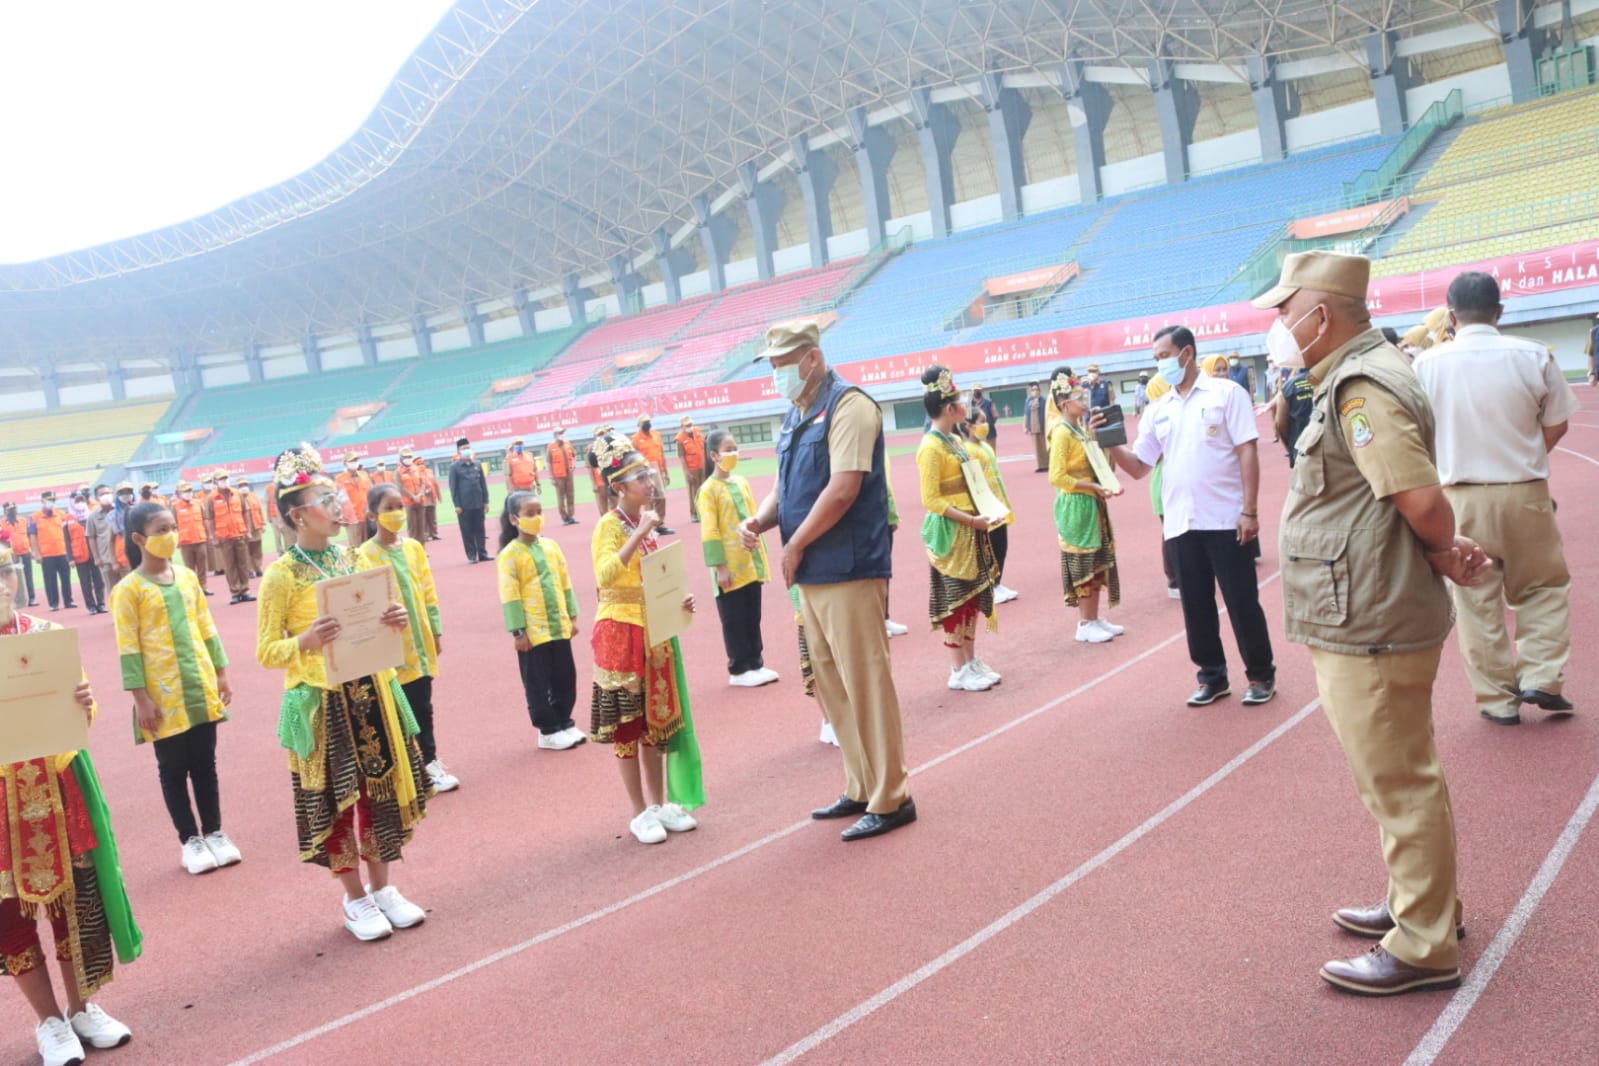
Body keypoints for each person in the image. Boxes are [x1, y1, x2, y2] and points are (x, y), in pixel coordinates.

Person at [1254, 249, 1490, 996]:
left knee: (1396, 779)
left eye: (1283, 310)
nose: (1276, 325)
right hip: (1366, 601)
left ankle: (1422, 945)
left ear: (1319, 315)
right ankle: (1424, 906)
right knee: (1403, 771)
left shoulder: (1360, 385)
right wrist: (1441, 554)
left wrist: (1441, 547)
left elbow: (1419, 498)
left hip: (1368, 612)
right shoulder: (1354, 375)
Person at [742, 320, 915, 841]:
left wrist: (794, 544)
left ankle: (892, 794)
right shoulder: (797, 414)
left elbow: (843, 489)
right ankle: (861, 784)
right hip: (813, 573)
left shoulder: (850, 406)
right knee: (832, 682)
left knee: (866, 680)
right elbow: (786, 486)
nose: (776, 375)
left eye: (781, 365)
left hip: (848, 565)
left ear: (811, 359)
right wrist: (760, 520)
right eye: (771, 366)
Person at [255, 445, 430, 942]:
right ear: (297, 514)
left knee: (380, 788)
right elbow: (267, 651)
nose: (337, 507)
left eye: (336, 496)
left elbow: (379, 615)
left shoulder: (350, 556)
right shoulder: (281, 575)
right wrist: (304, 642)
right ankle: (355, 898)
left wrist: (393, 619)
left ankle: (383, 887)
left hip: (370, 690)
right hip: (322, 701)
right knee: (338, 800)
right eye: (325, 499)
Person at [1413, 270, 1580, 724]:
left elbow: (1417, 436)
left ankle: (1496, 699)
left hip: (1459, 499)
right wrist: (1525, 454)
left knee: (1475, 596)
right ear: (1500, 311)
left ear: (1450, 315)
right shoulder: (1533, 355)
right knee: (1542, 587)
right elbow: (1559, 422)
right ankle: (1542, 678)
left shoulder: (1426, 365)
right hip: (1524, 492)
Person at [0, 534, 140, 1066]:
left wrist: (84, 702)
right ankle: (49, 1022)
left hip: (57, 786)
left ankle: (83, 1008)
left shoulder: (48, 636)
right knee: (9, 913)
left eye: (8, 570)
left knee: (75, 903)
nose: (3, 583)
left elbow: (80, 717)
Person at [1102, 325, 1276, 707]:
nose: (1161, 364)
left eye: (1165, 356)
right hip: (1180, 521)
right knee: (1195, 606)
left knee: (1241, 600)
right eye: (1156, 359)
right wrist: (1111, 442)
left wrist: (1250, 510)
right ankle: (1212, 676)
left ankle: (1261, 674)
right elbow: (1138, 467)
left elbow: (1248, 451)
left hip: (1226, 517)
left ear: (1187, 353)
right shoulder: (1158, 409)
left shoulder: (1227, 393)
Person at [113, 502, 242, 876]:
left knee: (206, 764)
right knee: (172, 768)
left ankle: (215, 832)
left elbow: (206, 625)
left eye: (173, 527)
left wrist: (221, 672)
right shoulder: (128, 590)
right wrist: (141, 699)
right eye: (161, 530)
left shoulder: (186, 577)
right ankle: (190, 840)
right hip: (162, 693)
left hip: (199, 684)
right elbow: (129, 647)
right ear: (139, 539)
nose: (171, 535)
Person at [587, 434, 702, 844]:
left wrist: (679, 602)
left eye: (648, 474)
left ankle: (659, 803)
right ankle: (638, 812)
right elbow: (605, 576)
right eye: (639, 477)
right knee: (628, 727)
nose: (649, 482)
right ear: (619, 486)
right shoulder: (610, 525)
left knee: (656, 724)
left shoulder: (645, 525)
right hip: (621, 632)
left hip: (654, 631)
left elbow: (654, 579)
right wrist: (642, 533)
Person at [358, 485, 459, 791]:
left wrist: (436, 631)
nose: (396, 514)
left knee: (423, 706)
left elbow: (428, 591)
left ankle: (429, 763)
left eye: (399, 506)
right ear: (373, 515)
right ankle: (408, 769)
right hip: (391, 649)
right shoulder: (365, 554)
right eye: (388, 508)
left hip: (420, 642)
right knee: (397, 711)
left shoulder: (413, 547)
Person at [497, 491, 586, 751]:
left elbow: (564, 581)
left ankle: (564, 721)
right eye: (529, 514)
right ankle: (547, 729)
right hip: (534, 631)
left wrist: (571, 615)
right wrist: (518, 632)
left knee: (565, 676)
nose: (536, 518)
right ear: (514, 519)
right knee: (537, 681)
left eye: (539, 512)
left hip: (558, 625)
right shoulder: (510, 554)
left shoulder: (551, 546)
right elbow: (510, 596)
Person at [1047, 368, 1125, 642]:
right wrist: (1092, 486)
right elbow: (1057, 476)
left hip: (1091, 502)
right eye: (1078, 396)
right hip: (1077, 504)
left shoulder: (1078, 430)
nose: (1084, 399)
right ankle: (1084, 622)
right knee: (1083, 562)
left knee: (1097, 560)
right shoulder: (1061, 433)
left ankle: (1093, 617)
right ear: (1064, 403)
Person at [698, 429, 778, 688]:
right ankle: (739, 667)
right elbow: (709, 531)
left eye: (735, 448)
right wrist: (720, 567)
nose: (733, 454)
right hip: (730, 565)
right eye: (727, 449)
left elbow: (754, 516)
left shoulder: (741, 482)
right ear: (713, 455)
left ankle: (755, 661)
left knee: (752, 614)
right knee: (733, 617)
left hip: (750, 563)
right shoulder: (708, 490)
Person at [964, 405, 1018, 604]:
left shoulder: (985, 446)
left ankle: (997, 582)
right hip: (984, 505)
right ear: (968, 425)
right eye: (981, 422)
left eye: (986, 421)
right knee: (989, 547)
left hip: (998, 501)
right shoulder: (968, 450)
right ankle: (987, 586)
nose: (985, 425)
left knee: (1001, 545)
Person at [207, 475, 256, 606]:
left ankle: (245, 591)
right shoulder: (212, 497)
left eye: (226, 479)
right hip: (224, 536)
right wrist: (213, 537)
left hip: (239, 534)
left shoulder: (237, 493)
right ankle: (235, 592)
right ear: (216, 482)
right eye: (221, 479)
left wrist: (248, 530)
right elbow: (210, 519)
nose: (224, 481)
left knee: (243, 563)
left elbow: (246, 512)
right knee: (230, 566)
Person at [31, 492, 76, 612]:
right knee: (50, 581)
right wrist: (36, 553)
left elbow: (68, 534)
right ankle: (53, 603)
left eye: (53, 499)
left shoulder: (61, 514)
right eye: (48, 499)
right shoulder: (35, 517)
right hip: (46, 554)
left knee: (66, 579)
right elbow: (33, 536)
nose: (51, 502)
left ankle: (68, 601)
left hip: (62, 552)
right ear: (42, 501)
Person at [448, 438, 491, 563]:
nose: (466, 451)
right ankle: (471, 556)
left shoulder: (477, 464)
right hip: (464, 505)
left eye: (468, 448)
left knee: (480, 529)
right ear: (458, 451)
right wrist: (457, 505)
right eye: (463, 449)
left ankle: (483, 554)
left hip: (478, 502)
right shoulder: (454, 467)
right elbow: (453, 488)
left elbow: (483, 484)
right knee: (467, 531)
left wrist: (486, 501)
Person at [631, 416, 673, 535]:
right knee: (648, 499)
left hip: (657, 469)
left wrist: (665, 472)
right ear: (639, 424)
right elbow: (633, 458)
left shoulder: (656, 435)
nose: (648, 424)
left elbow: (662, 453)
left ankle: (660, 524)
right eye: (645, 422)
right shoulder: (635, 439)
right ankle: (651, 527)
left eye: (648, 422)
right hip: (644, 471)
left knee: (661, 497)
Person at [172, 481, 212, 597]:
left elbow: (205, 520)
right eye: (185, 491)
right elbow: (173, 525)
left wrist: (208, 536)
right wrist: (176, 540)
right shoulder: (175, 507)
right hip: (186, 542)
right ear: (180, 493)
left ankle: (203, 587)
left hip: (200, 539)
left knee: (202, 566)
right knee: (189, 568)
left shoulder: (198, 504)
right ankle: (193, 588)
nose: (188, 493)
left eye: (189, 491)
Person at [85, 486, 123, 603]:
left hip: (123, 557)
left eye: (108, 493)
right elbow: (91, 537)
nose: (106, 496)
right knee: (113, 590)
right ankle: (117, 617)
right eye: (102, 494)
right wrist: (96, 558)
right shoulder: (93, 516)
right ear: (96, 498)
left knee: (129, 589)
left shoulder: (121, 510)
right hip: (105, 558)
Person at [63, 513, 104, 616]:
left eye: (81, 500)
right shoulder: (67, 519)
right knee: (85, 583)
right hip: (79, 555)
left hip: (94, 554)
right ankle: (91, 606)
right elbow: (67, 540)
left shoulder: (90, 514)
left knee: (99, 581)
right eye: (77, 501)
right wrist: (70, 558)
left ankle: (101, 604)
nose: (79, 503)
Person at [1, 502, 37, 607]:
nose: (13, 511)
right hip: (11, 554)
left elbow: (30, 536)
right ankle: (16, 599)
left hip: (25, 551)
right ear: (5, 511)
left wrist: (32, 550)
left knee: (28, 576)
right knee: (14, 577)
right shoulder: (1, 523)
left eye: (14, 509)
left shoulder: (23, 520)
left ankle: (31, 598)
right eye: (10, 509)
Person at [334, 454, 372, 547]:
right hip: (351, 518)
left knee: (368, 544)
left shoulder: (364, 475)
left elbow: (371, 492)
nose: (354, 463)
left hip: (366, 515)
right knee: (356, 546)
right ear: (345, 464)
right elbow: (337, 499)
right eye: (351, 461)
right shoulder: (340, 479)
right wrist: (341, 515)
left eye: (356, 460)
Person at [675, 415, 708, 523]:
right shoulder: (680, 439)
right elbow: (681, 457)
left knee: (703, 489)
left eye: (690, 424)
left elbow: (703, 447)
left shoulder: (698, 432)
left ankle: (703, 511)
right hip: (691, 468)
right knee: (693, 491)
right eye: (687, 425)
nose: (690, 427)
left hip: (701, 466)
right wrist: (686, 472)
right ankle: (694, 514)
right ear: (682, 426)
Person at [546, 427, 579, 526]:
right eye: (559, 433)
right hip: (558, 475)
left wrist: (574, 464)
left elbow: (574, 455)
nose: (562, 435)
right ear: (555, 435)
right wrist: (551, 477)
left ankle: (571, 516)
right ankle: (564, 518)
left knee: (570, 495)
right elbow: (548, 462)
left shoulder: (568, 444)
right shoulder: (551, 447)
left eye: (562, 433)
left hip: (569, 474)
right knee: (561, 497)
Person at [398, 449, 428, 542]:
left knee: (421, 528)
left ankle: (422, 551)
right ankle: (413, 551)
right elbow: (400, 487)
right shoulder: (398, 472)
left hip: (420, 501)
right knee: (413, 528)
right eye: (406, 457)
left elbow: (423, 482)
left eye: (409, 457)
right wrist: (413, 497)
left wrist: (420, 494)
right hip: (409, 503)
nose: (408, 459)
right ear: (401, 459)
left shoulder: (416, 469)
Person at [238, 478, 266, 577]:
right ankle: (249, 570)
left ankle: (258, 568)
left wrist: (263, 524)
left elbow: (259, 510)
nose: (244, 488)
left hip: (256, 526)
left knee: (257, 549)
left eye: (245, 485)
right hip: (245, 529)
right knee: (246, 550)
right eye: (241, 486)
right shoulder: (237, 498)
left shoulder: (253, 496)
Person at [586, 425, 615, 520]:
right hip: (599, 480)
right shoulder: (591, 448)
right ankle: (605, 521)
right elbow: (589, 467)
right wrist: (593, 483)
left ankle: (614, 520)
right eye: (599, 434)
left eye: (602, 434)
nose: (601, 436)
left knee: (613, 500)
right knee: (602, 503)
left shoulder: (608, 445)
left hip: (609, 478)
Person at [1023, 382, 1050, 472]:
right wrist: (1026, 426)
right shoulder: (1028, 401)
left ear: (1039, 391)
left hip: (1042, 426)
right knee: (1037, 447)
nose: (1034, 391)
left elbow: (1048, 413)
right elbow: (1026, 414)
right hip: (1033, 427)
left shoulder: (1044, 400)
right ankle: (1040, 465)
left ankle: (1047, 464)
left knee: (1045, 446)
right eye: (1033, 390)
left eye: (1036, 389)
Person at [421, 458, 442, 541]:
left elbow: (435, 484)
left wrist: (439, 495)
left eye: (422, 463)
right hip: (423, 499)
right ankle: (425, 535)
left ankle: (434, 533)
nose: (421, 465)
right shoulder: (415, 473)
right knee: (424, 518)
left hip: (432, 498)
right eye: (418, 463)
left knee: (433, 518)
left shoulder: (429, 472)